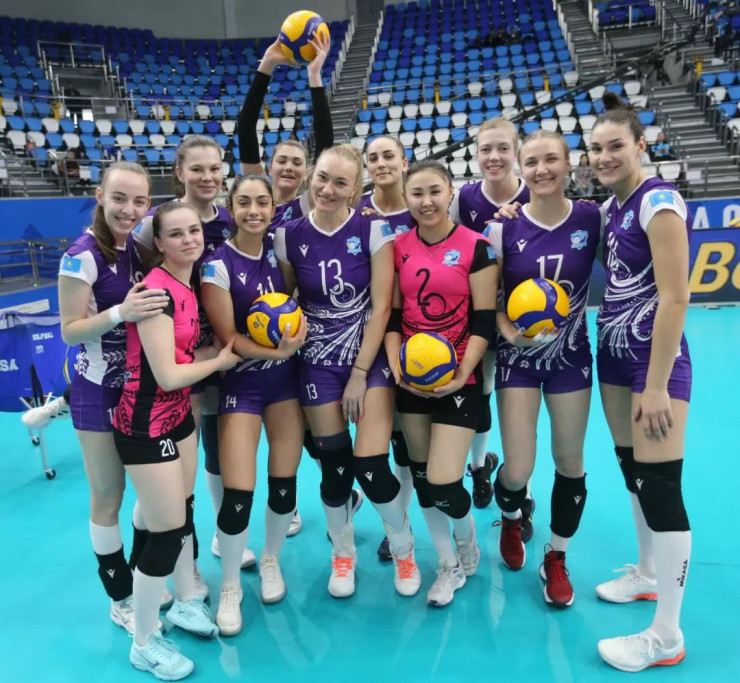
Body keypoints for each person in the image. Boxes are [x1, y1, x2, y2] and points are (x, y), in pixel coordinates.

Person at [273, 143, 421, 598]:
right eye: (323, 178)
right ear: (311, 177)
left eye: (341, 182)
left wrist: (359, 373)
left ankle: (404, 548)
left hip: (367, 362)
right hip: (317, 364)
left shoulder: (373, 230)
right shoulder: (288, 236)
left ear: (356, 188)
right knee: (335, 469)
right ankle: (343, 554)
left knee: (372, 464)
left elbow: (382, 308)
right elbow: (287, 301)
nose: (328, 189)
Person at [114, 201, 240, 680]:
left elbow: (182, 352)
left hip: (178, 416)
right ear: (160, 243)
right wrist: (219, 362)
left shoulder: (187, 285)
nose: (189, 239)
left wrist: (210, 350)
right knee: (167, 531)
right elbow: (166, 375)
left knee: (177, 510)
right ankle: (144, 641)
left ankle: (185, 602)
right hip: (145, 423)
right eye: (176, 234)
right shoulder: (156, 292)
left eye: (194, 231)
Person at [589, 93, 692, 672]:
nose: (604, 157)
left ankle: (666, 635)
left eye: (615, 147)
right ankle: (648, 572)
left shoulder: (658, 201)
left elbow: (676, 296)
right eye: (596, 148)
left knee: (660, 486)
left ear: (641, 146)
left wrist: (656, 385)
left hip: (653, 366)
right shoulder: (613, 207)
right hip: (612, 354)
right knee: (633, 471)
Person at [486, 131, 602, 608]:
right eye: (531, 161)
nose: (541, 169)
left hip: (571, 359)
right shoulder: (502, 228)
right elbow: (490, 303)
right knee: (518, 469)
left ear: (568, 163)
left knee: (569, 461)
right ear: (521, 167)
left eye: (551, 159)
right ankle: (512, 518)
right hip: (518, 360)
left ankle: (556, 556)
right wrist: (511, 335)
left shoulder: (592, 218)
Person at [133, 135, 255, 582]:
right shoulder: (156, 224)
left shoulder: (228, 219)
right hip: (173, 357)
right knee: (169, 471)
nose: (208, 177)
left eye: (215, 168)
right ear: (179, 172)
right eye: (197, 169)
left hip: (217, 351)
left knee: (215, 450)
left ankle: (222, 535)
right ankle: (177, 563)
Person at [238, 29, 344, 533]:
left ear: (307, 173)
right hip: (251, 324)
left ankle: (326, 494)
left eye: (298, 163)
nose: (288, 167)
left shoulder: (306, 206)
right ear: (269, 165)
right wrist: (265, 68)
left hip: (296, 326)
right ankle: (292, 501)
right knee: (267, 425)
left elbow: (326, 141)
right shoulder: (255, 198)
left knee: (303, 424)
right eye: (281, 159)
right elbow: (246, 129)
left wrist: (315, 79)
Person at [58, 161, 170, 634]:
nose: (129, 209)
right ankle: (120, 595)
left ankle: (143, 577)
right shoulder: (80, 256)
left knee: (150, 490)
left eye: (139, 201)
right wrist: (120, 312)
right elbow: (69, 331)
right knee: (109, 495)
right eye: (119, 198)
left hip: (141, 389)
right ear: (99, 195)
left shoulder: (139, 249)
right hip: (96, 392)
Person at [386, 159, 497, 607]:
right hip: (410, 379)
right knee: (422, 478)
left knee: (445, 480)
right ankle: (447, 565)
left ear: (451, 192)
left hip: (459, 378)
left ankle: (467, 539)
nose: (426, 201)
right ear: (406, 198)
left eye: (435, 191)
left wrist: (461, 375)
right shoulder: (398, 247)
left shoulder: (477, 246)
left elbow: (484, 319)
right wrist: (397, 368)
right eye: (417, 193)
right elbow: (393, 316)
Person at [200, 175, 307, 635]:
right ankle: (229, 586)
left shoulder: (279, 254)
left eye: (262, 202)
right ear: (231, 208)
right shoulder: (216, 265)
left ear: (272, 208)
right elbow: (229, 338)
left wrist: (290, 350)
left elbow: (296, 303)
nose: (254, 211)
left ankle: (270, 560)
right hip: (241, 387)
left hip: (285, 386)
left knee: (284, 484)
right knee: (238, 493)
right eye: (243, 203)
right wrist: (278, 353)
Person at [449, 118, 530, 526]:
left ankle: (521, 493)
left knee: (520, 410)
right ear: (476, 154)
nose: (494, 157)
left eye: (502, 148)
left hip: (522, 321)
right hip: (477, 316)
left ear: (516, 152)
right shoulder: (464, 198)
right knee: (479, 397)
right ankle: (479, 468)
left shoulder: (534, 190)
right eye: (486, 149)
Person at [358, 135, 415, 562]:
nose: (380, 163)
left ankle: (404, 520)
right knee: (388, 436)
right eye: (373, 157)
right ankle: (396, 525)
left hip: (421, 333)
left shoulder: (425, 204)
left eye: (388, 155)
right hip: (373, 334)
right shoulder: (357, 212)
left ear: (404, 161)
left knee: (410, 439)